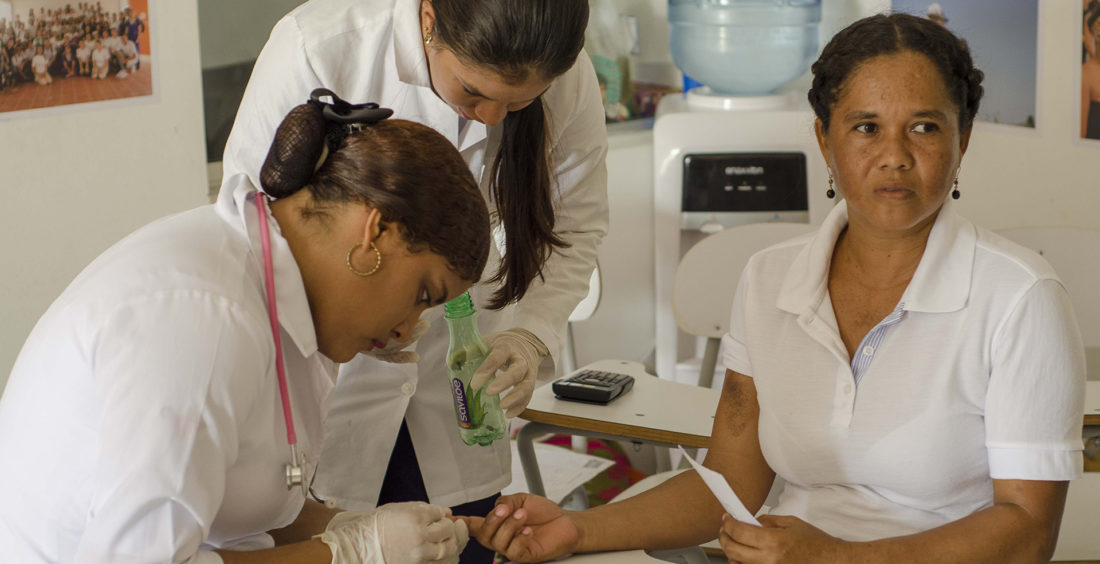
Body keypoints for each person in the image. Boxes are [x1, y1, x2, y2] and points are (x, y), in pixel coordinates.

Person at [463, 13, 1086, 564]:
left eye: (924, 127)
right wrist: (576, 528)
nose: (894, 155)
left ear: (963, 140)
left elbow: (1028, 533)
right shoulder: (768, 280)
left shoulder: (1021, 299)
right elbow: (730, 482)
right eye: (865, 127)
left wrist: (839, 558)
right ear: (824, 140)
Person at [0, 92, 489, 563]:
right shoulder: (205, 322)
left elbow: (236, 514)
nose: (407, 330)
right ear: (375, 232)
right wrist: (352, 553)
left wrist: (351, 529)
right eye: (422, 296)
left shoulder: (283, 296)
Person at [218, 1, 608, 562]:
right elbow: (256, 228)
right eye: (473, 92)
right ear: (429, 21)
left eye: (518, 103)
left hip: (459, 387)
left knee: (459, 542)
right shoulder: (320, 47)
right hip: (332, 383)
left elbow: (576, 226)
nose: (493, 119)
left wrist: (531, 334)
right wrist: (365, 318)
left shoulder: (564, 73)